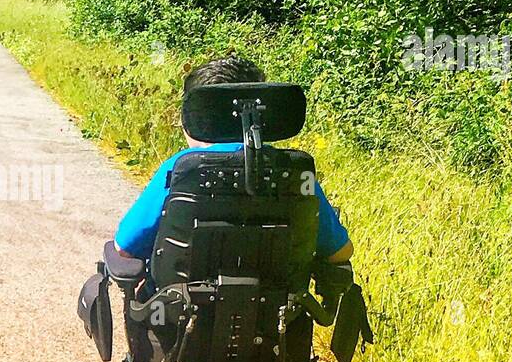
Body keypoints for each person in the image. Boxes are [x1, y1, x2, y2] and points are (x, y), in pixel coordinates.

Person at [113, 54, 353, 277]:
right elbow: (340, 252)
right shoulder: (293, 171)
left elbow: (123, 248)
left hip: (177, 313)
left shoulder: (180, 169)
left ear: (193, 116)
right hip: (278, 316)